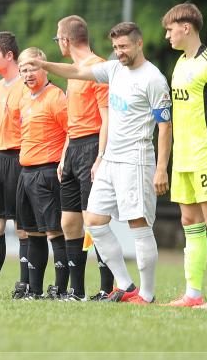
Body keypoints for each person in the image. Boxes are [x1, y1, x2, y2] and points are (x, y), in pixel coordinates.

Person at [21, 22, 172, 304]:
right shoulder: (113, 69)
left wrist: (161, 167)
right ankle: (126, 285)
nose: (119, 51)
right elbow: (76, 71)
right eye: (115, 47)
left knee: (138, 223)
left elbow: (165, 127)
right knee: (94, 220)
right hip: (110, 158)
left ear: (139, 43)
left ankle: (147, 294)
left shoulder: (153, 78)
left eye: (124, 46)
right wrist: (43, 64)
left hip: (136, 159)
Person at [53, 16, 112, 301]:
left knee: (94, 220)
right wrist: (65, 154)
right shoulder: (73, 72)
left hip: (91, 146)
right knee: (69, 221)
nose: (58, 43)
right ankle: (76, 291)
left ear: (66, 40)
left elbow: (106, 117)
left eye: (58, 39)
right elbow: (72, 120)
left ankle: (107, 288)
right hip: (73, 148)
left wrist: (100, 156)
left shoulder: (98, 68)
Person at [161, 3, 207, 308]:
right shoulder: (180, 64)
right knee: (190, 220)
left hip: (206, 154)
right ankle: (193, 294)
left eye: (170, 29)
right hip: (183, 156)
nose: (167, 35)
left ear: (186, 27)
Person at [16, 48, 68, 299]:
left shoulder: (56, 96)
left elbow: (71, 131)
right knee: (32, 232)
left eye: (33, 68)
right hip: (26, 173)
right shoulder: (24, 99)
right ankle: (34, 290)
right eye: (23, 70)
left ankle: (60, 288)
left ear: (45, 68)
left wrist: (64, 160)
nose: (28, 74)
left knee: (54, 231)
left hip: (47, 172)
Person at [0, 32, 28, 300]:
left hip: (20, 159)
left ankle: (25, 286)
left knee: (23, 227)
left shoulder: (26, 86)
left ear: (9, 55)